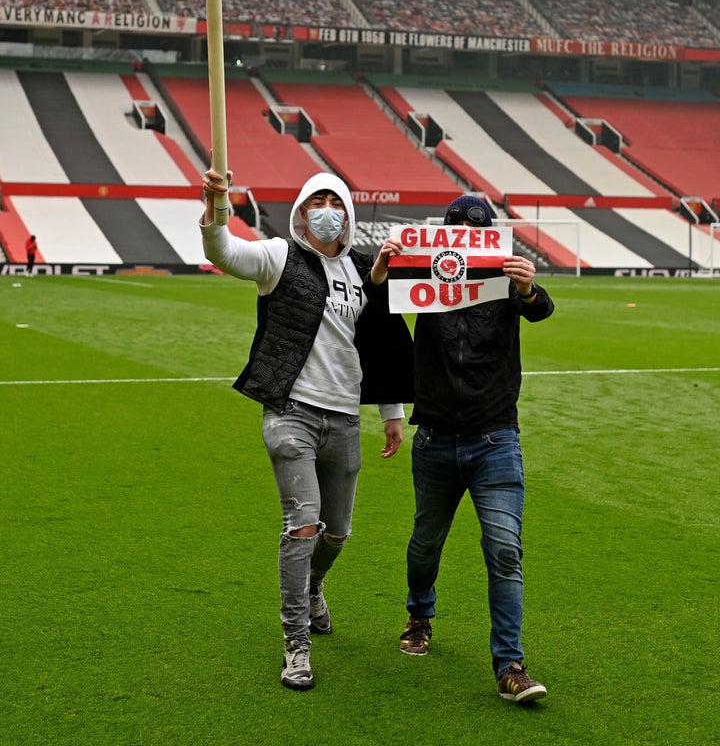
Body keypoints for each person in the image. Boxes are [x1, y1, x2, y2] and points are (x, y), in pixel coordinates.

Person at [201, 167, 414, 692]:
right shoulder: (278, 257)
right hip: (290, 412)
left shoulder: (366, 271)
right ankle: (296, 644)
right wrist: (215, 206)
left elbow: (382, 345)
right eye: (317, 200)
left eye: (335, 201)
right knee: (302, 525)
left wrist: (391, 413)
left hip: (343, 418)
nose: (327, 209)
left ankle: (316, 584)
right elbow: (224, 252)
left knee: (336, 533)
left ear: (348, 212)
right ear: (301, 210)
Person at [370, 194, 555, 705]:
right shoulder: (428, 278)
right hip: (434, 436)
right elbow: (378, 305)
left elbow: (541, 310)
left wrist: (530, 287)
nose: (466, 236)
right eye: (457, 228)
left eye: (476, 229)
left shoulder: (504, 280)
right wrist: (383, 270)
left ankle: (510, 664)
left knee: (504, 550)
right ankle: (419, 614)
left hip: (495, 437)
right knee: (426, 541)